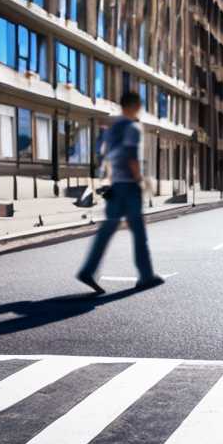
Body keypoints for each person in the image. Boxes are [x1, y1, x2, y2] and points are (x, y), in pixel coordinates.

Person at [76, 91, 161, 294]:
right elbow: (131, 157)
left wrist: (112, 181)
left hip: (116, 185)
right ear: (133, 106)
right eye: (139, 105)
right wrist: (141, 180)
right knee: (139, 232)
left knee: (107, 230)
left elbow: (109, 158)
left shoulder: (113, 130)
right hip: (130, 186)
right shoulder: (133, 127)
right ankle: (146, 276)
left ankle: (88, 270)